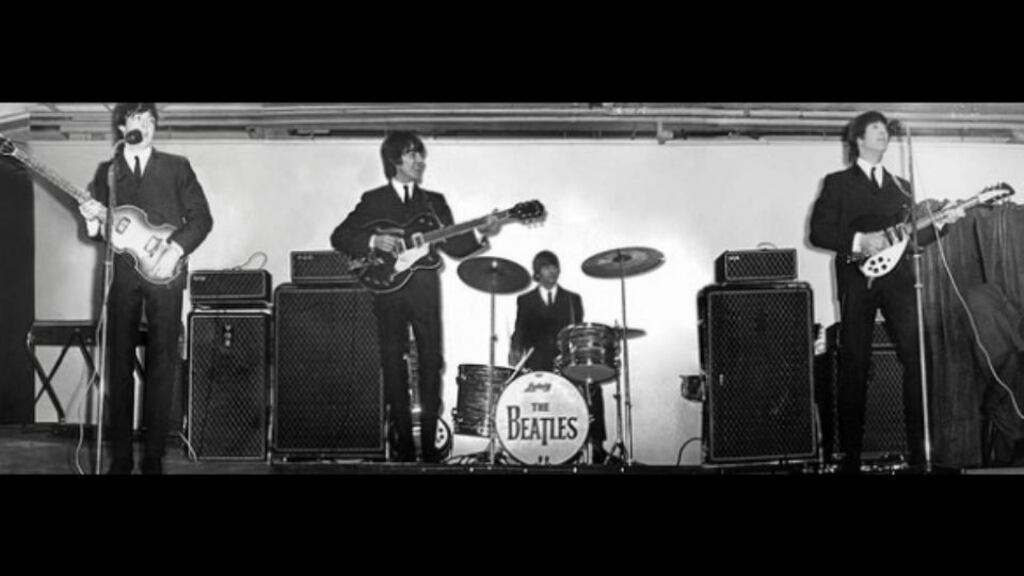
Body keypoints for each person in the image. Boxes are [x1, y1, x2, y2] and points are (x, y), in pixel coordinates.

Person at [331, 131, 498, 463]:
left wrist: (482, 232)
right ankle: (404, 445)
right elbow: (340, 236)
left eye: (421, 155)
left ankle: (431, 446)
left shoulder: (433, 201)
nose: (421, 161)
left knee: (432, 361)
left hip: (424, 291)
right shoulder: (373, 199)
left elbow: (454, 246)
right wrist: (374, 240)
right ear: (394, 161)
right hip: (387, 288)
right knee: (392, 365)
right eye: (412, 155)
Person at [809, 110, 962, 473]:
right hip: (856, 278)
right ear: (858, 139)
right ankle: (849, 458)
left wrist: (941, 225)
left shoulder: (901, 186)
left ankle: (918, 455)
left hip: (899, 281)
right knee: (855, 364)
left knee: (918, 358)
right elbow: (818, 232)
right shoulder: (837, 183)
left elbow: (912, 239)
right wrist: (860, 240)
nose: (883, 134)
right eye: (875, 129)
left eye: (885, 129)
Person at [78, 103, 213, 474]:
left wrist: (175, 249)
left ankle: (153, 459)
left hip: (166, 275)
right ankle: (120, 459)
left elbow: (202, 219)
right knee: (117, 366)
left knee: (162, 366)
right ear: (122, 126)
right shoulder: (108, 172)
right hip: (122, 278)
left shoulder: (177, 167)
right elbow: (101, 232)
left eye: (151, 120)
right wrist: (91, 221)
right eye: (138, 119)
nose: (146, 126)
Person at [509, 250, 607, 464]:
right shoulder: (525, 300)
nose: (552, 271)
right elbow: (519, 331)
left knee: (593, 386)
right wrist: (514, 348)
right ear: (537, 272)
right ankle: (525, 448)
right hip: (536, 364)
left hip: (565, 362)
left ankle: (597, 445)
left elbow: (577, 332)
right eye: (546, 267)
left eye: (555, 266)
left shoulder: (573, 300)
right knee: (515, 391)